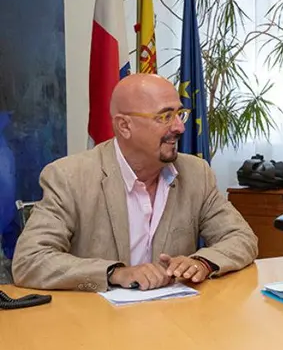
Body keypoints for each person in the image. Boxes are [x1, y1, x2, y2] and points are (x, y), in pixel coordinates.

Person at [12, 74, 258, 292]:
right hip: (96, 322)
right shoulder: (70, 178)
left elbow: (241, 237)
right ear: (124, 126)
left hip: (175, 318)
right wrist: (115, 273)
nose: (180, 127)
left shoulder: (196, 173)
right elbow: (30, 261)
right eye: (165, 116)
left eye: (180, 114)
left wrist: (202, 262)